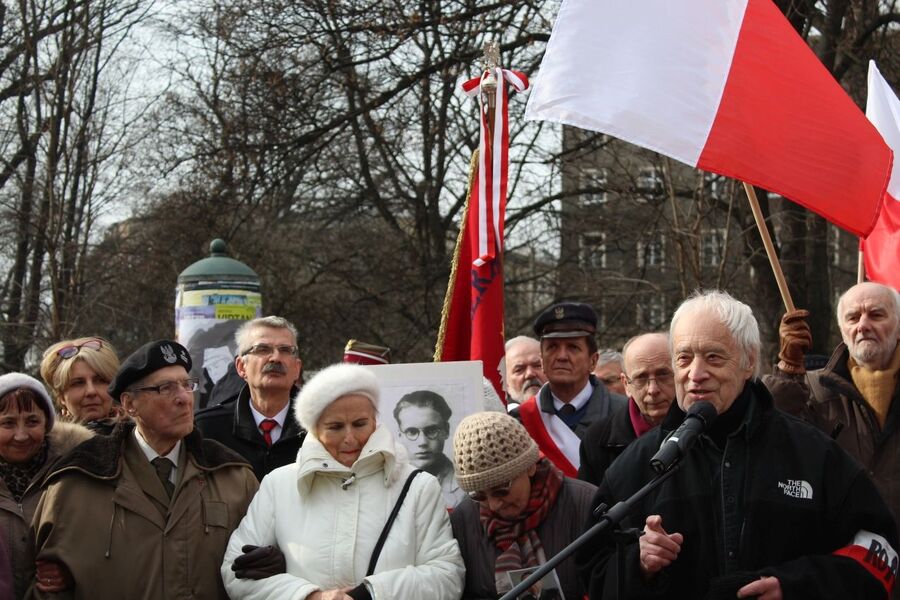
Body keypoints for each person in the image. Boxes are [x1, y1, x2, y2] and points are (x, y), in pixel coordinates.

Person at [576, 290, 899, 599]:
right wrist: (639, 564)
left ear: (749, 361)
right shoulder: (638, 464)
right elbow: (592, 570)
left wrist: (795, 586)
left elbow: (879, 550)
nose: (695, 373)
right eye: (684, 358)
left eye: (713, 357)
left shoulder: (813, 453)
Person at [31, 340, 259, 600]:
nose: (184, 398)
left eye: (187, 385)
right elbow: (46, 588)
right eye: (165, 388)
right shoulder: (76, 482)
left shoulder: (233, 476)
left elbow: (261, 574)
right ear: (129, 404)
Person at [222, 363, 464, 600]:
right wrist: (309, 596)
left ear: (375, 420)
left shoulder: (419, 486)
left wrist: (372, 593)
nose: (350, 438)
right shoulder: (278, 485)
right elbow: (236, 573)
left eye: (360, 424)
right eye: (335, 427)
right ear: (314, 429)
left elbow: (447, 576)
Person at [767, 283, 900, 567]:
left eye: (876, 315)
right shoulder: (812, 390)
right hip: (841, 569)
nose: (863, 325)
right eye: (853, 318)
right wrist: (788, 368)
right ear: (843, 331)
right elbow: (772, 430)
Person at [450, 412, 596, 599]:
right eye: (479, 495)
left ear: (530, 467)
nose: (493, 505)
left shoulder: (584, 504)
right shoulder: (464, 519)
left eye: (501, 490)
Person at [0, 374, 93, 599]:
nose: (21, 435)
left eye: (32, 422)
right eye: (7, 423)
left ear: (47, 423)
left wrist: (72, 571)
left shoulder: (76, 476)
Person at [518, 302, 626, 477]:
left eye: (573, 347)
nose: (561, 356)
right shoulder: (521, 421)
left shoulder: (625, 414)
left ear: (593, 361)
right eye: (552, 347)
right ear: (542, 360)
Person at [195, 316, 306, 480]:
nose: (275, 358)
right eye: (263, 349)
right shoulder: (206, 429)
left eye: (285, 350)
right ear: (241, 367)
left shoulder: (319, 427)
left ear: (297, 369)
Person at [578, 332, 675, 486]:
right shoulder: (597, 440)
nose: (653, 389)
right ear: (626, 384)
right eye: (641, 378)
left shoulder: (705, 427)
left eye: (663, 375)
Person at [393, 390, 464, 508]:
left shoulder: (466, 490)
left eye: (432, 431)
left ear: (446, 430)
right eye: (412, 432)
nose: (423, 442)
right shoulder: (386, 486)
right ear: (400, 435)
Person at [39, 337, 123, 433]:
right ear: (61, 396)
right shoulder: (42, 443)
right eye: (78, 383)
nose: (91, 391)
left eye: (100, 380)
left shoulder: (139, 436)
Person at [502, 336, 547, 409]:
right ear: (506, 384)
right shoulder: (502, 419)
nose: (530, 374)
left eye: (537, 365)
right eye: (519, 370)